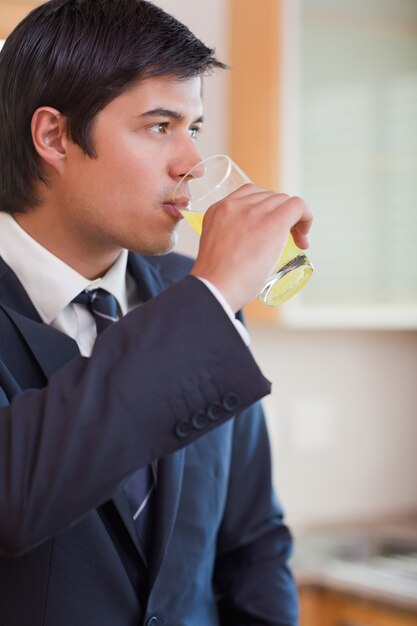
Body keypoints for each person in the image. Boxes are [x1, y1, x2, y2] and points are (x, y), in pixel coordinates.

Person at [0, 1, 312, 624]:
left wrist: (210, 295)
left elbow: (252, 541)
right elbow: (13, 498)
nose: (191, 164)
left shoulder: (194, 293)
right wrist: (215, 292)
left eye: (193, 128)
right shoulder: (207, 298)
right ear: (54, 136)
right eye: (158, 125)